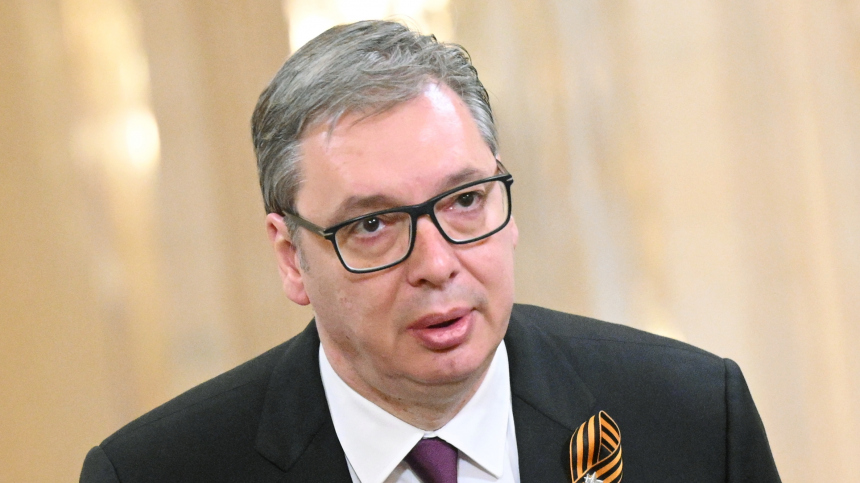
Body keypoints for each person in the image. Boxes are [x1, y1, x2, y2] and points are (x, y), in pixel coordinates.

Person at [80, 20, 781, 483]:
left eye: (465, 200)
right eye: (373, 224)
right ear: (292, 257)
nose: (438, 263)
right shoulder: (154, 474)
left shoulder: (690, 417)